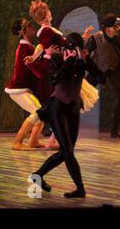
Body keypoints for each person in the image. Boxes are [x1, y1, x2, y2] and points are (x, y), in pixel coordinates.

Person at [32, 33, 98, 198]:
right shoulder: (57, 58)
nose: (75, 51)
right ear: (65, 47)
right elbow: (53, 79)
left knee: (66, 151)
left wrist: (87, 60)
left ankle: (38, 175)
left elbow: (99, 76)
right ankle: (80, 189)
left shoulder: (80, 61)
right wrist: (67, 62)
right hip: (57, 107)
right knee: (67, 151)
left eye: (79, 48)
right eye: (72, 48)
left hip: (73, 108)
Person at [5, 18, 57, 150]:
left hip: (24, 89)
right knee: (38, 113)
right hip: (19, 90)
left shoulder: (28, 47)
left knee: (41, 114)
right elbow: (39, 72)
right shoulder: (24, 49)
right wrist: (47, 55)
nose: (31, 26)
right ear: (23, 32)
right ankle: (17, 142)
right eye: (28, 25)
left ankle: (33, 141)